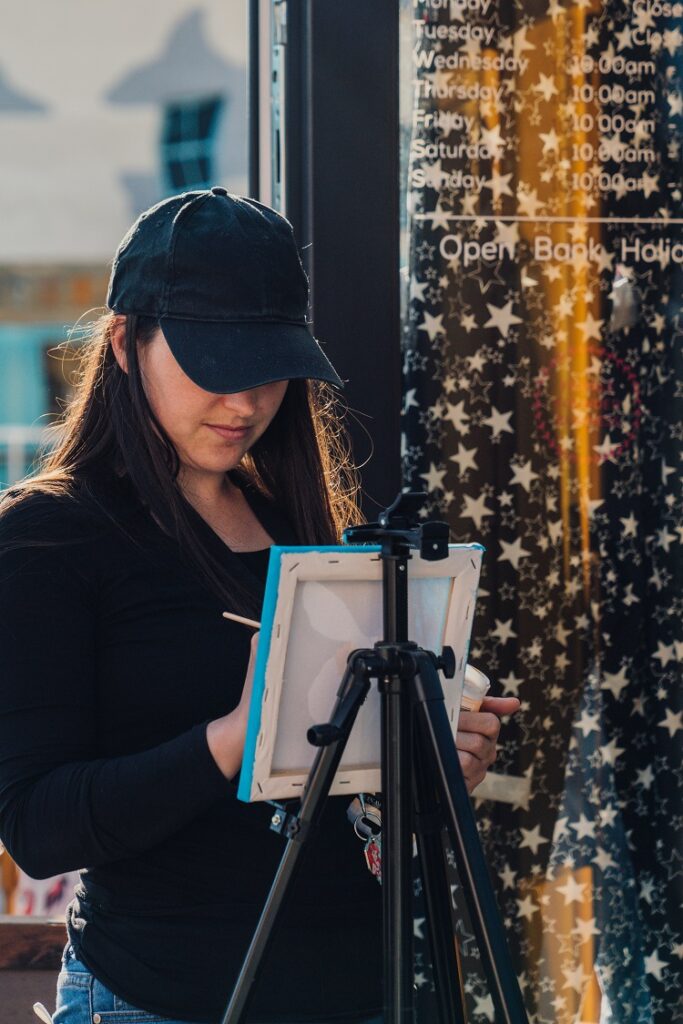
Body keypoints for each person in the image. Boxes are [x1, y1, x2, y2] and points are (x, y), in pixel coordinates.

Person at [0, 188, 519, 1024]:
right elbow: (39, 827)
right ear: (127, 342)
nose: (245, 401)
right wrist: (238, 736)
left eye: (270, 367)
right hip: (165, 998)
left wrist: (424, 762)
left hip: (358, 991)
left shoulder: (305, 524)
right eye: (213, 365)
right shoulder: (48, 537)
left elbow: (336, 805)